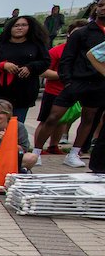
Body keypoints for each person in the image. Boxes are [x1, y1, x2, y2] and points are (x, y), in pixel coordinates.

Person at [34, 0, 105, 169]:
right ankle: (36, 152)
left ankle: (74, 153)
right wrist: (68, 81)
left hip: (98, 84)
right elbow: (67, 58)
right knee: (53, 116)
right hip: (76, 82)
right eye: (101, 5)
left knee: (89, 117)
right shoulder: (82, 33)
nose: (102, 9)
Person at [34, 19, 86, 157]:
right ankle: (37, 150)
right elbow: (43, 71)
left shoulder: (86, 52)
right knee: (47, 120)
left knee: (63, 120)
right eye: (75, 33)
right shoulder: (57, 51)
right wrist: (64, 76)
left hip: (77, 91)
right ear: (69, 34)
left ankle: (53, 146)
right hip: (54, 91)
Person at [0, 15, 51, 123]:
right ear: (10, 28)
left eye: (23, 25)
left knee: (16, 125)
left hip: (23, 92)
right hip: (0, 91)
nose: (20, 28)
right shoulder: (0, 45)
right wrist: (3, 65)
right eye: (16, 25)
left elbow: (45, 61)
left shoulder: (36, 45)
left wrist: (30, 67)